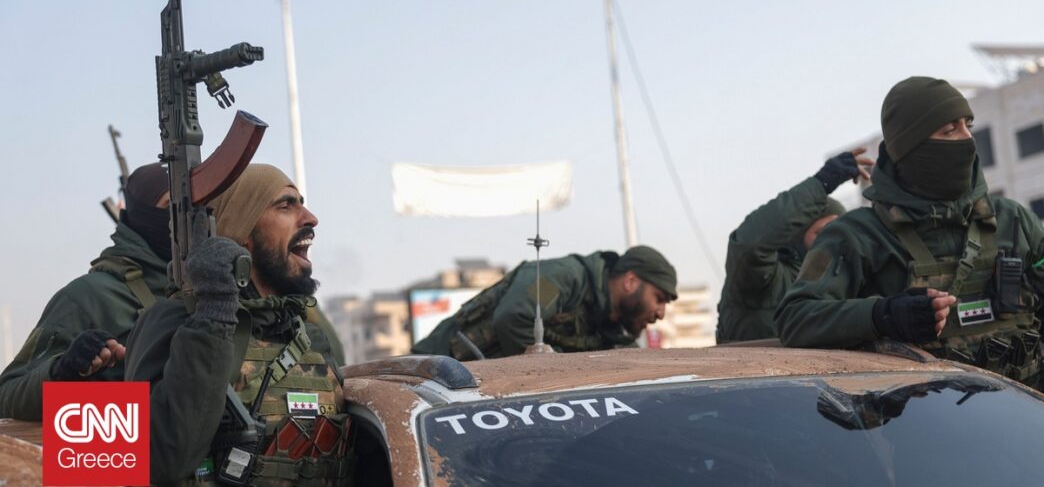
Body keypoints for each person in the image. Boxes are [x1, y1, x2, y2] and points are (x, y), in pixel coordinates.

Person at [776, 76, 1044, 388]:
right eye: (949, 130)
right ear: (911, 148)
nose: (967, 138)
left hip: (1025, 411)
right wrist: (882, 315)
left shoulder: (1012, 219)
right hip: (921, 416)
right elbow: (795, 319)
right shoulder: (858, 235)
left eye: (968, 125)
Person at [124, 164, 348, 485]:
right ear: (241, 230)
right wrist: (213, 314)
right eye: (285, 205)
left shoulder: (309, 336)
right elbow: (154, 462)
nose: (310, 218)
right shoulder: (173, 321)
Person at [0, 163, 171, 420]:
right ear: (141, 215)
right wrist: (62, 372)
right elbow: (6, 396)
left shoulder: (212, 290)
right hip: (130, 444)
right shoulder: (89, 296)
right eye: (169, 207)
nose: (186, 217)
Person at [715, 148, 872, 343]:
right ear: (798, 234)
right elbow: (749, 245)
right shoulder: (767, 279)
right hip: (748, 363)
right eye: (823, 232)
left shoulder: (844, 284)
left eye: (839, 233)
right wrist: (822, 183)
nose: (832, 241)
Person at [412, 245, 678, 360]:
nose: (661, 313)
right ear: (630, 281)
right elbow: (515, 317)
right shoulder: (566, 279)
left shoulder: (611, 329)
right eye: (659, 299)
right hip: (430, 376)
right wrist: (559, 372)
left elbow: (629, 369)